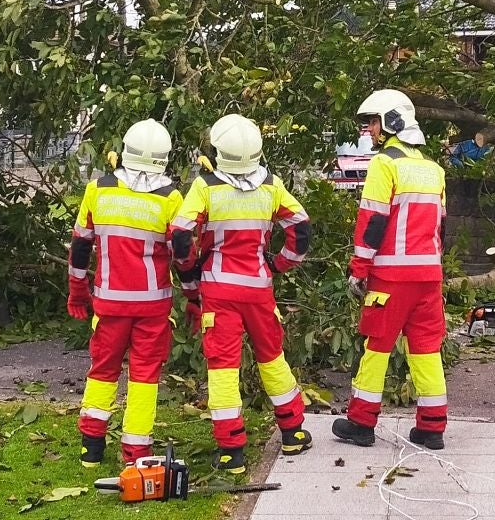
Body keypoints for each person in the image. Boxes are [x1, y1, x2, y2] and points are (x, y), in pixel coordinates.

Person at [169, 114, 317, 473]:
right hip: (259, 289)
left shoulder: (205, 187)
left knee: (223, 368)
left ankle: (231, 451)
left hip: (218, 291)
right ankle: (293, 431)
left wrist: (191, 286)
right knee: (272, 357)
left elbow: (180, 235)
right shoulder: (271, 186)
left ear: (219, 151)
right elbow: (301, 227)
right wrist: (279, 264)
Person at [333, 89, 450, 450]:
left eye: (372, 121)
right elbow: (442, 229)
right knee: (427, 349)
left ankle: (361, 422)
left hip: (391, 277)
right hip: (429, 276)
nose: (368, 129)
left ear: (392, 122)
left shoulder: (385, 164)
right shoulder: (434, 170)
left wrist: (359, 269)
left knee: (378, 346)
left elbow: (372, 221)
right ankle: (432, 428)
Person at [68, 119, 184, 467]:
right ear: (164, 158)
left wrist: (77, 292)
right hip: (153, 308)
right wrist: (194, 297)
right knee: (145, 376)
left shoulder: (98, 190)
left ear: (125, 151)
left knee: (102, 370)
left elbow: (79, 247)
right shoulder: (171, 199)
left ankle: (91, 447)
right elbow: (183, 255)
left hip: (109, 304)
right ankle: (137, 452)